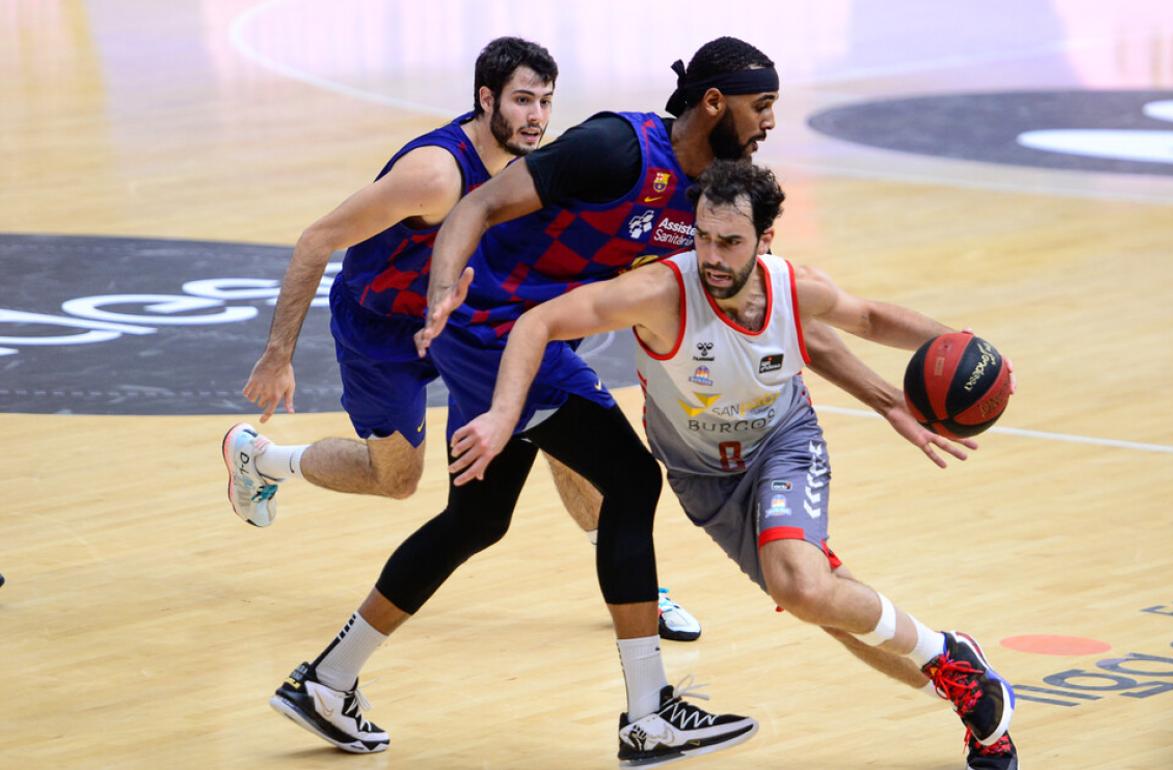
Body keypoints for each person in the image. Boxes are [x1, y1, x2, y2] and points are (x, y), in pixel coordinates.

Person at [262, 37, 779, 765]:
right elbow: (475, 205)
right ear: (716, 103)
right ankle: (649, 713)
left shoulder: (708, 193)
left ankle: (327, 680)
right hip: (492, 330)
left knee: (476, 519)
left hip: (523, 335)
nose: (770, 124)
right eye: (762, 107)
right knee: (631, 481)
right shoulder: (615, 149)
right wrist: (443, 293)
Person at [450, 160, 1020, 770]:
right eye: (702, 237)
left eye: (731, 242)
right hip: (705, 482)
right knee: (822, 604)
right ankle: (968, 694)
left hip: (783, 444)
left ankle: (949, 654)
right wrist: (505, 413)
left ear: (764, 241)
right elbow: (537, 323)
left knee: (801, 585)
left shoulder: (793, 287)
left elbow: (871, 318)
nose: (713, 256)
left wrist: (967, 347)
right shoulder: (660, 293)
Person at [219, 36, 700, 640]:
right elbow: (318, 240)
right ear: (485, 98)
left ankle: (638, 590)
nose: (537, 117)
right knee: (395, 480)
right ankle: (263, 461)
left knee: (563, 433)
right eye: (523, 100)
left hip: (474, 327)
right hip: (386, 331)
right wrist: (276, 355)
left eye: (546, 102)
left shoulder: (536, 165)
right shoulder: (434, 175)